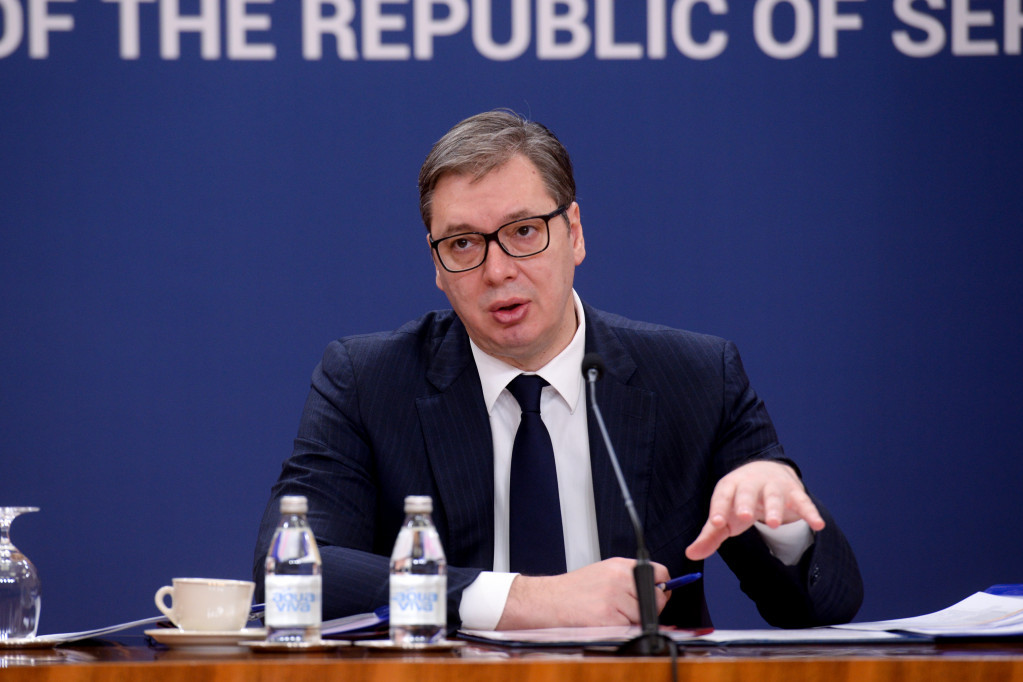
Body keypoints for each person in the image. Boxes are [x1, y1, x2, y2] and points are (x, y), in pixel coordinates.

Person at [253, 110, 863, 630]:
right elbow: (291, 570)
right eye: (463, 244)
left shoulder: (697, 378)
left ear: (573, 233)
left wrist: (784, 525)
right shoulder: (368, 381)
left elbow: (823, 607)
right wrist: (527, 601)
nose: (497, 271)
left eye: (523, 231)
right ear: (436, 265)